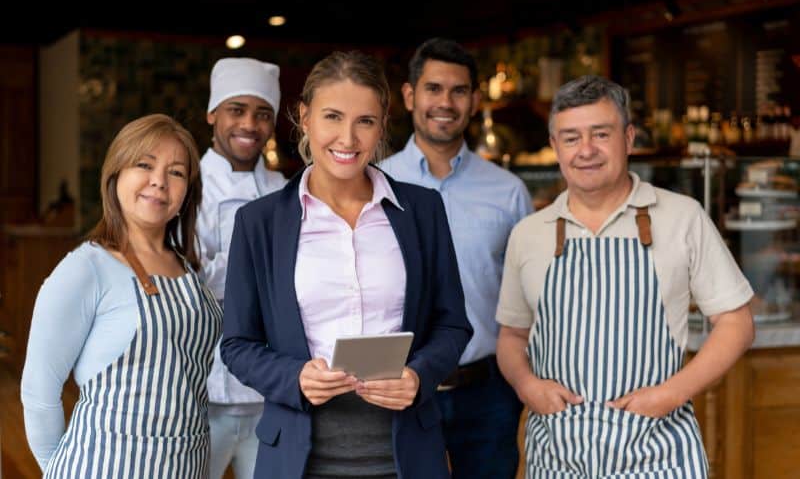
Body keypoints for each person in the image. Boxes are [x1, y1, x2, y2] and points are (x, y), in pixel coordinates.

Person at [220, 50, 472, 479]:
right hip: (297, 458)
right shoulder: (259, 222)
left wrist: (417, 375)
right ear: (304, 117)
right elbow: (238, 344)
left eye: (365, 121)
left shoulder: (424, 210)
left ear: (382, 124)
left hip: (408, 453)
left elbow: (453, 325)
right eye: (333, 117)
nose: (348, 138)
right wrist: (295, 376)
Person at [496, 75, 755, 478]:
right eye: (570, 138)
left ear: (629, 138)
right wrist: (527, 385)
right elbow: (512, 336)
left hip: (659, 453)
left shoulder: (682, 216)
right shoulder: (528, 234)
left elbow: (736, 322)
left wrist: (671, 394)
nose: (586, 151)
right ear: (554, 147)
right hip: (560, 456)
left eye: (601, 134)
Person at [21, 114, 222, 477]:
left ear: (187, 191)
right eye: (144, 164)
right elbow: (39, 392)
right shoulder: (85, 269)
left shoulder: (190, 271)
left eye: (176, 172)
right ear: (116, 175)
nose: (159, 181)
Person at [380, 37, 532, 478]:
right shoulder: (374, 184)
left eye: (458, 90)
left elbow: (526, 298)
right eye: (433, 88)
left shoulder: (508, 191)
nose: (445, 102)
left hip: (487, 393)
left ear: (474, 100)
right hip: (396, 389)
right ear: (409, 96)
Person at [198, 57, 287, 479]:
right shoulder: (186, 184)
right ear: (212, 114)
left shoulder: (284, 191)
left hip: (269, 391)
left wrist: (224, 268)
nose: (250, 124)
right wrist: (264, 272)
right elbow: (190, 281)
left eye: (263, 114)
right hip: (202, 392)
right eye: (237, 110)